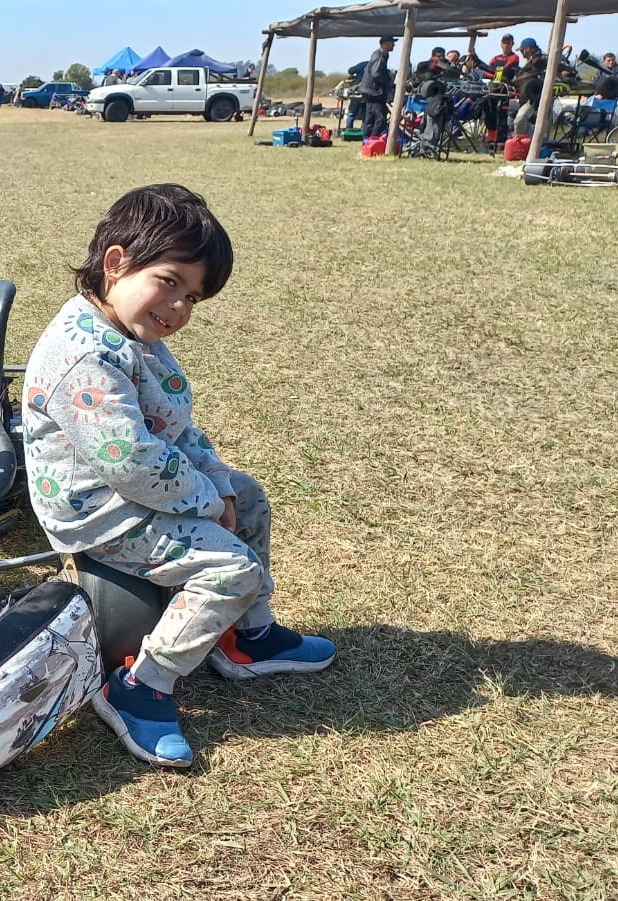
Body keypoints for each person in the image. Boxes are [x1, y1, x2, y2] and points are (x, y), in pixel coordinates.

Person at [22, 184, 335, 767]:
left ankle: (247, 638)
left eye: (193, 297)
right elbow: (132, 461)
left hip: (138, 487)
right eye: (169, 282)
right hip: (98, 509)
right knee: (229, 567)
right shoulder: (84, 355)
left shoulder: (132, 334)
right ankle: (141, 686)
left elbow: (175, 428)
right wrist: (207, 504)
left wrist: (218, 483)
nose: (179, 309)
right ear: (116, 264)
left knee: (250, 495)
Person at [359, 35, 396, 139]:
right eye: (392, 42)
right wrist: (388, 80)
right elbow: (376, 73)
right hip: (374, 92)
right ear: (385, 43)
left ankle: (366, 142)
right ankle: (372, 140)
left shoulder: (380, 54)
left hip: (370, 91)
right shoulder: (380, 55)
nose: (394, 45)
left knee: (369, 119)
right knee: (380, 119)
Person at [513, 38, 547, 136]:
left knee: (520, 120)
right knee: (524, 123)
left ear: (528, 49)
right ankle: (526, 145)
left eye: (522, 50)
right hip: (528, 98)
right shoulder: (532, 61)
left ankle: (520, 143)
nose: (522, 53)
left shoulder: (539, 60)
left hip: (535, 99)